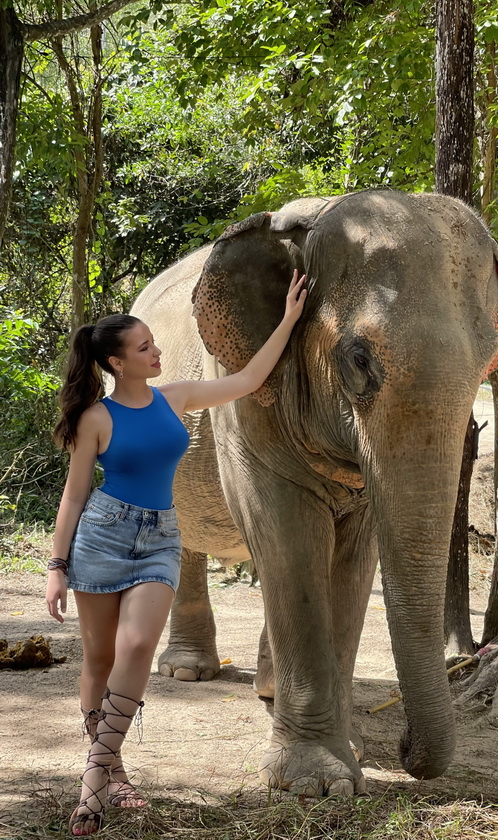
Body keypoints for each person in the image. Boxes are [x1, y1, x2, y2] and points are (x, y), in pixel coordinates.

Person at [46, 270, 306, 836]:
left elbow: (249, 377)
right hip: (102, 538)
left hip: (161, 537)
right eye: (145, 347)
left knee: (138, 644)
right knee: (97, 661)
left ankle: (91, 778)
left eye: (154, 342)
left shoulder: (177, 398)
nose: (157, 350)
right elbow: (74, 495)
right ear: (118, 363)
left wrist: (288, 317)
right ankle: (112, 770)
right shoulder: (96, 418)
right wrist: (56, 566)